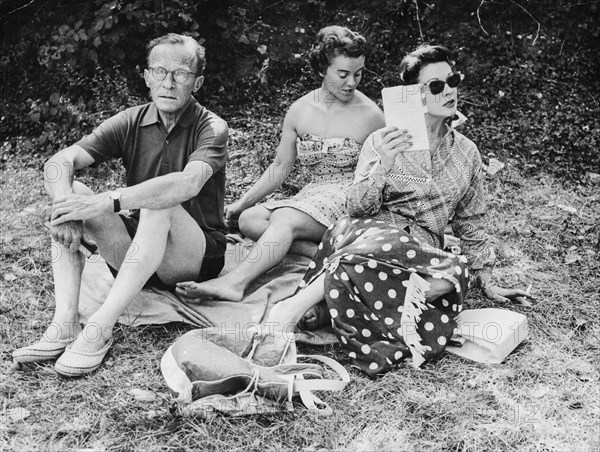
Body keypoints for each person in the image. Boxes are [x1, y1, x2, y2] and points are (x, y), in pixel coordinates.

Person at [264, 44, 534, 377]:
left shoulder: (467, 152)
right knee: (387, 246)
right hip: (366, 234)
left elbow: (471, 218)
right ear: (415, 95)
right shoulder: (382, 140)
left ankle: (336, 298)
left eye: (452, 80)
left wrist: (486, 278)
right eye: (436, 86)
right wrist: (382, 165)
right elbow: (357, 207)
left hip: (420, 251)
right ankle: (292, 310)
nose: (448, 90)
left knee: (456, 273)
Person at [12, 33, 229, 377]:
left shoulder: (212, 127)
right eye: (159, 71)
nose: (168, 83)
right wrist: (66, 207)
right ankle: (66, 321)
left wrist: (109, 201)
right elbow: (59, 161)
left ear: (197, 82)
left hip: (194, 255)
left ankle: (99, 328)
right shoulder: (131, 119)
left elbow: (187, 184)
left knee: (161, 202)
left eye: (181, 74)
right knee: (74, 193)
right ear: (146, 77)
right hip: (140, 254)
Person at [176, 26, 385, 302]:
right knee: (250, 220)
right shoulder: (300, 109)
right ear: (322, 69)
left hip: (349, 198)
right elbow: (280, 167)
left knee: (284, 219)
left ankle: (235, 283)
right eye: (343, 74)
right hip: (314, 194)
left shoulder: (371, 115)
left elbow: (386, 174)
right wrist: (241, 204)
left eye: (358, 74)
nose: (352, 83)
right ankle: (328, 252)